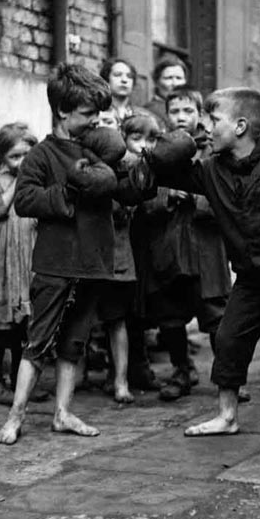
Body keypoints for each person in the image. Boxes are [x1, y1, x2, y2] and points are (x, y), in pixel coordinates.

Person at [144, 87, 260, 447]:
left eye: (214, 120)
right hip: (250, 277)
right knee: (228, 341)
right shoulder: (211, 170)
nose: (207, 125)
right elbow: (167, 173)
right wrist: (176, 144)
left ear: (241, 126)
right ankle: (226, 416)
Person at [0, 63, 126, 444]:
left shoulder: (99, 151)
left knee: (74, 343)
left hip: (92, 261)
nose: (95, 122)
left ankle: (63, 414)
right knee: (38, 341)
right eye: (88, 114)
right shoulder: (41, 156)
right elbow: (25, 200)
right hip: (55, 262)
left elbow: (118, 191)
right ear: (63, 111)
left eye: (99, 114)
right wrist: (70, 190)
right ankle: (15, 417)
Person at [141, 86, 233, 402]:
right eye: (175, 111)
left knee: (217, 317)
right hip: (168, 247)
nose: (181, 117)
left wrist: (194, 198)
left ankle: (229, 377)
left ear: (200, 115)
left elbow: (229, 198)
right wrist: (167, 196)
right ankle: (182, 370)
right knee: (170, 315)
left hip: (206, 248)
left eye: (188, 111)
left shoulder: (216, 152)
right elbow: (141, 198)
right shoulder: (158, 152)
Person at [96, 112, 161, 405]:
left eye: (149, 139)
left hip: (130, 255)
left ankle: (123, 377)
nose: (141, 146)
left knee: (123, 318)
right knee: (108, 318)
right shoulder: (108, 167)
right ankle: (111, 375)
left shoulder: (143, 170)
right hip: (108, 255)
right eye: (136, 138)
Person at [0, 122, 39, 406]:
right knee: (1, 327)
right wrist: (16, 185)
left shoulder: (38, 179)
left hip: (26, 258)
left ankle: (19, 383)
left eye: (27, 155)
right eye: (15, 157)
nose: (22, 162)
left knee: (23, 326)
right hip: (1, 261)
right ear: (1, 157)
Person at [144, 55, 188, 128]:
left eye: (179, 78)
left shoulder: (193, 109)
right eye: (169, 78)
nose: (175, 83)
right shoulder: (149, 112)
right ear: (157, 82)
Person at [100, 57, 142, 123]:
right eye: (117, 75)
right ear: (106, 80)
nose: (124, 80)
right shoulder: (98, 113)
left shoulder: (142, 116)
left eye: (129, 76)